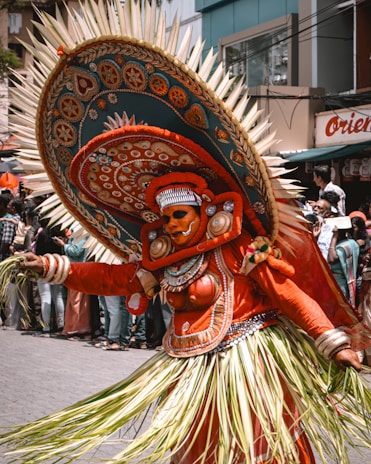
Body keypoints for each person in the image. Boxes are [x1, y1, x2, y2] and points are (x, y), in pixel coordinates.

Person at [0, 2, 370, 463]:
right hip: (189, 373)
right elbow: (113, 280)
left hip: (249, 368)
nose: (173, 226)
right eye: (166, 219)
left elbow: (288, 294)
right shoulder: (166, 261)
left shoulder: (238, 249)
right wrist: (53, 268)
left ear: (203, 211)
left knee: (259, 449)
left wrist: (331, 343)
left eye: (181, 216)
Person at [327, 219, 359, 307]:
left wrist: (334, 237)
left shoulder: (347, 245)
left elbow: (332, 259)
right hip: (334, 281)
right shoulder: (348, 243)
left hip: (340, 282)